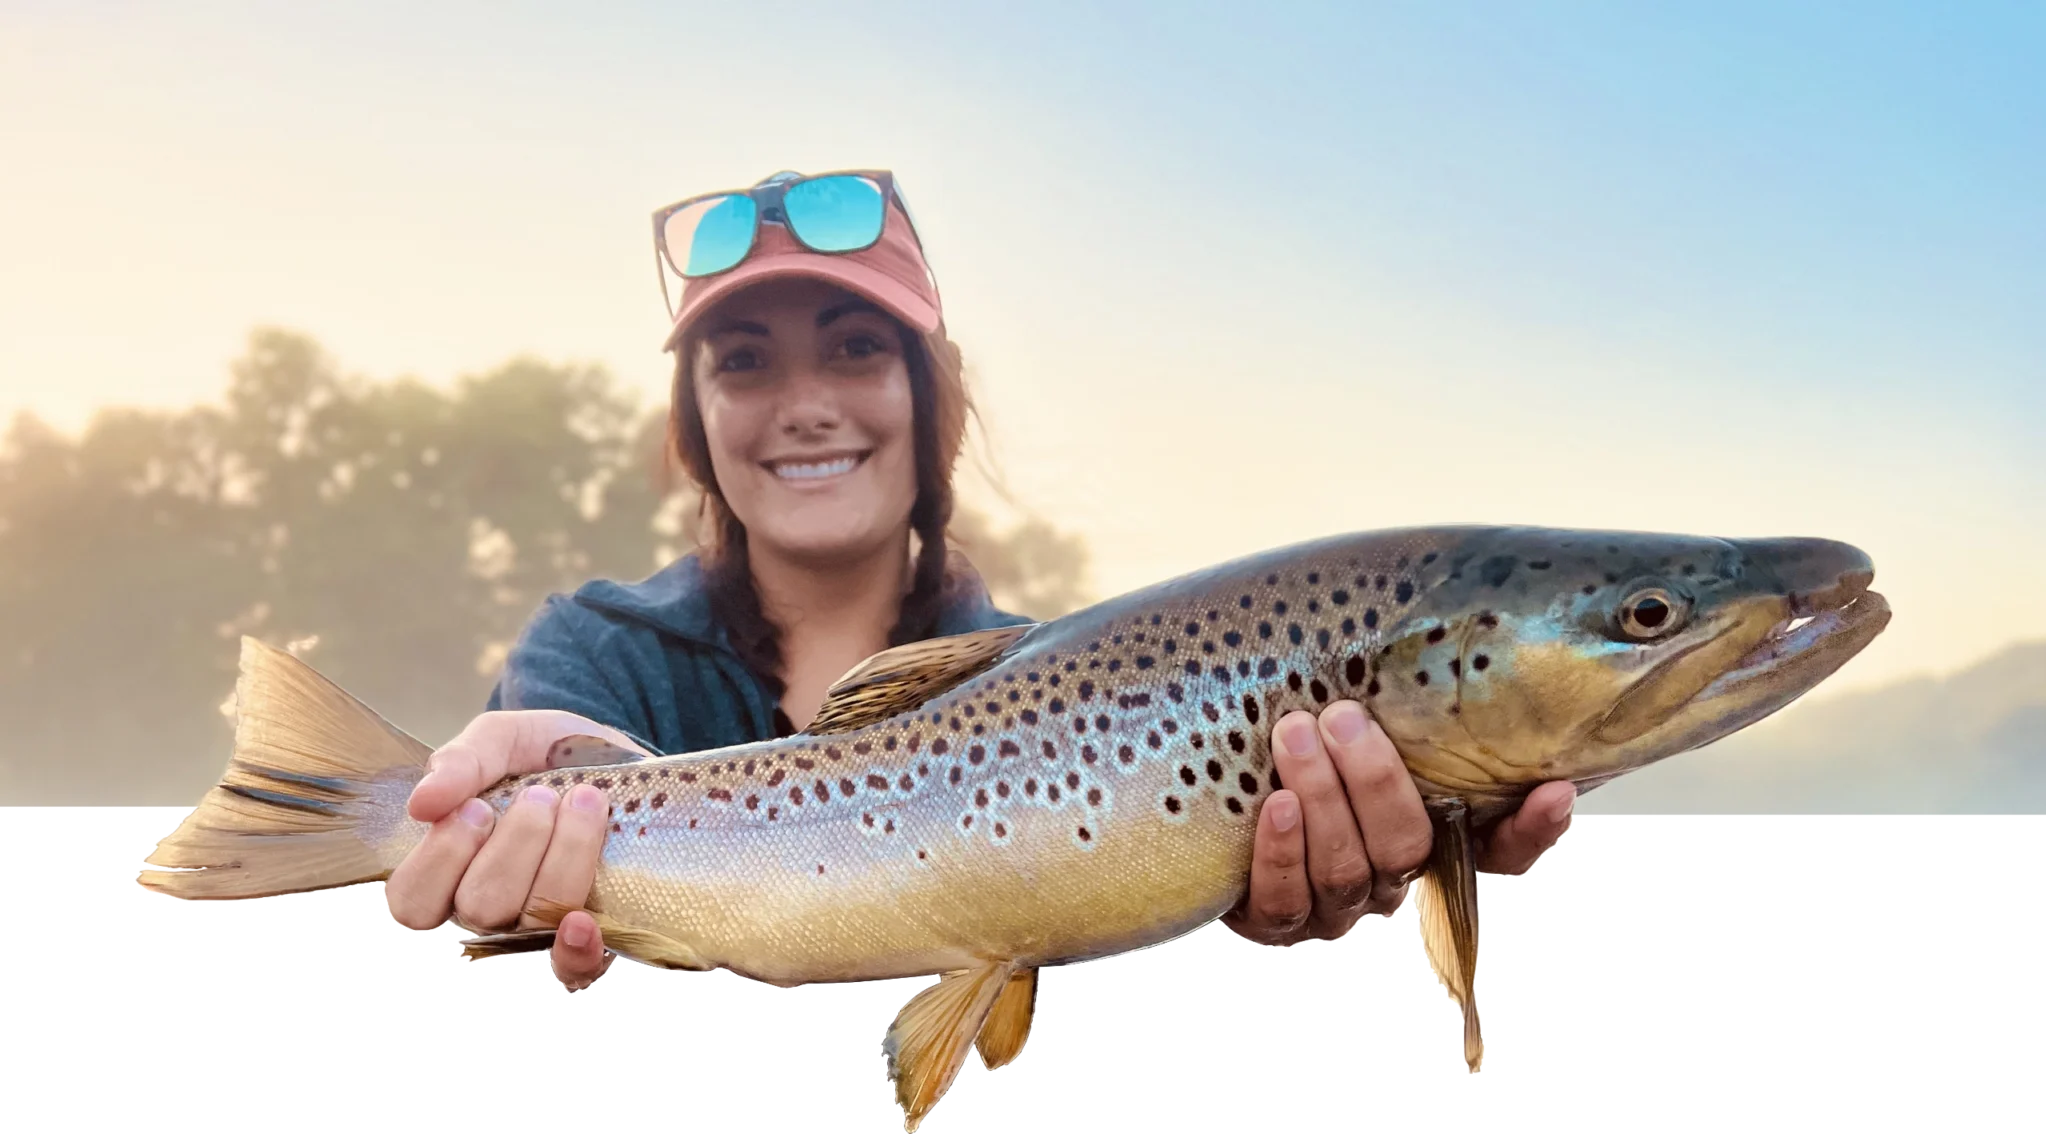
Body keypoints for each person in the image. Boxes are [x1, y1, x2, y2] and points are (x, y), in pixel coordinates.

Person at [382, 169, 1578, 992]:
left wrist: (1251, 918)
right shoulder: (590, 659)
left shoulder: (1075, 681)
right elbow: (498, 940)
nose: (804, 404)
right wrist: (493, 859)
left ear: (926, 396)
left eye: (855, 348)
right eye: (743, 363)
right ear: (696, 423)